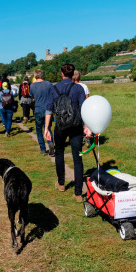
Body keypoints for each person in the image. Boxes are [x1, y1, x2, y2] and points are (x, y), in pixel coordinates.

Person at [44, 64, 92, 202]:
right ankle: (78, 193)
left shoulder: (54, 89)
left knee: (59, 153)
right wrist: (87, 127)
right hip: (76, 125)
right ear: (73, 74)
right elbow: (84, 108)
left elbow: (48, 109)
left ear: (61, 74)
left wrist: (46, 128)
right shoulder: (78, 88)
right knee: (77, 157)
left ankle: (61, 183)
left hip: (60, 126)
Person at [30, 69, 54, 155]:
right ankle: (50, 143)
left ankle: (43, 149)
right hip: (48, 109)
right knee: (48, 128)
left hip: (38, 109)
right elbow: (53, 95)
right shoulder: (48, 84)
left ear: (35, 76)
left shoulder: (32, 86)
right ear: (42, 75)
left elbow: (32, 98)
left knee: (39, 129)